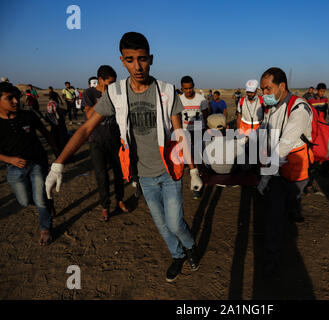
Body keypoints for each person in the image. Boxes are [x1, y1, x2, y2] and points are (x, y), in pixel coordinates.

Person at [45, 32, 202, 282]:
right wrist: (58, 163)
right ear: (122, 60)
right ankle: (177, 255)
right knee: (162, 226)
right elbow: (86, 128)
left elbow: (180, 132)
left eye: (142, 59)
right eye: (130, 60)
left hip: (169, 171)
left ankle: (190, 246)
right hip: (144, 176)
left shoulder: (167, 92)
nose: (137, 66)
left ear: (151, 58)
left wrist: (193, 170)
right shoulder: (115, 94)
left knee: (174, 223)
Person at [257, 67, 313, 278]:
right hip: (277, 172)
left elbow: (284, 145)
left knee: (291, 204)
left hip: (294, 171)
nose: (264, 94)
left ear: (282, 86)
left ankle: (292, 216)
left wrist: (264, 176)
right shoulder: (272, 107)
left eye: (268, 89)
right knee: (273, 216)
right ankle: (271, 262)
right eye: (262, 90)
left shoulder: (299, 108)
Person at [0, 82, 58, 245]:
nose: (16, 102)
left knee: (39, 198)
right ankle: (47, 203)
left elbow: (46, 133)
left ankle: (45, 228)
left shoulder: (28, 116)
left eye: (16, 98)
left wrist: (57, 153)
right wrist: (9, 159)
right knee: (25, 201)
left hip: (37, 162)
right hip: (14, 168)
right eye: (9, 98)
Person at [82, 65, 128, 221]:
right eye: (109, 83)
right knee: (102, 176)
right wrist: (103, 97)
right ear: (100, 80)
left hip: (115, 139)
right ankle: (105, 206)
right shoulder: (89, 93)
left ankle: (120, 200)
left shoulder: (116, 93)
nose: (112, 86)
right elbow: (89, 115)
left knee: (119, 173)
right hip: (96, 141)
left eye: (114, 83)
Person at [179, 75, 209, 140]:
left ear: (193, 86)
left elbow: (206, 116)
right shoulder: (179, 100)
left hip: (199, 130)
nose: (188, 91)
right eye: (186, 89)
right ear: (182, 88)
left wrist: (207, 129)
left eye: (190, 88)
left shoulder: (201, 99)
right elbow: (178, 117)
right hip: (185, 130)